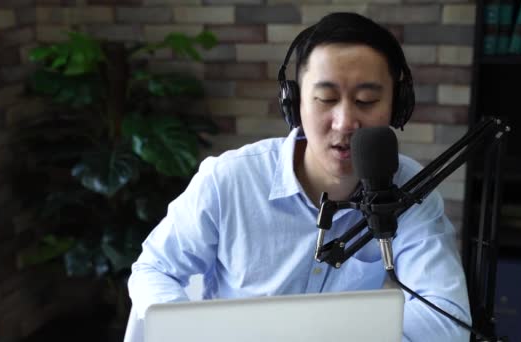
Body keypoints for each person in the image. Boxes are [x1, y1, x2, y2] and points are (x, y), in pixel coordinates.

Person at [127, 12, 471, 341]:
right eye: (325, 98)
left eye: (367, 100)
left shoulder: (410, 191)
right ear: (294, 104)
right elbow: (154, 270)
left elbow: (447, 319)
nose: (344, 122)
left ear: (397, 105)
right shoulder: (228, 179)